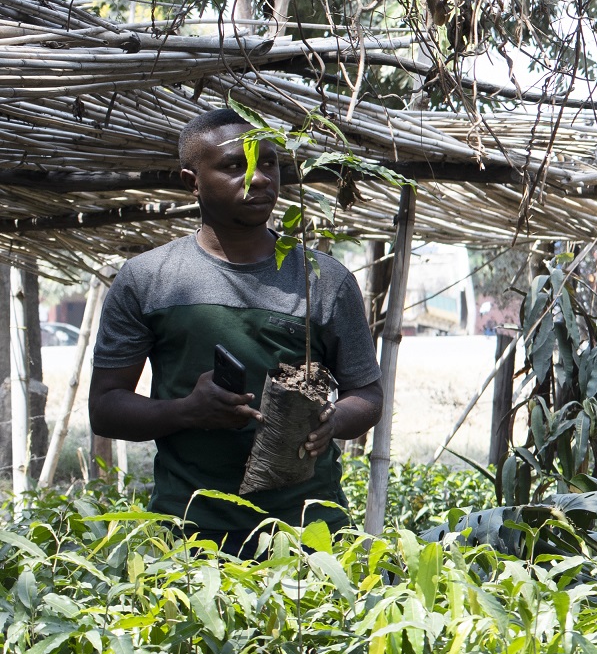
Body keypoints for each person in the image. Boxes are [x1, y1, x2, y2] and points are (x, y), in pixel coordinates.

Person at [89, 107, 386, 544]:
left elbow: (368, 394)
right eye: (235, 166)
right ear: (192, 181)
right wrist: (187, 411)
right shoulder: (147, 279)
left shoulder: (324, 279)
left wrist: (331, 420)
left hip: (307, 534)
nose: (261, 178)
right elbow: (106, 407)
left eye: (268, 162)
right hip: (190, 533)